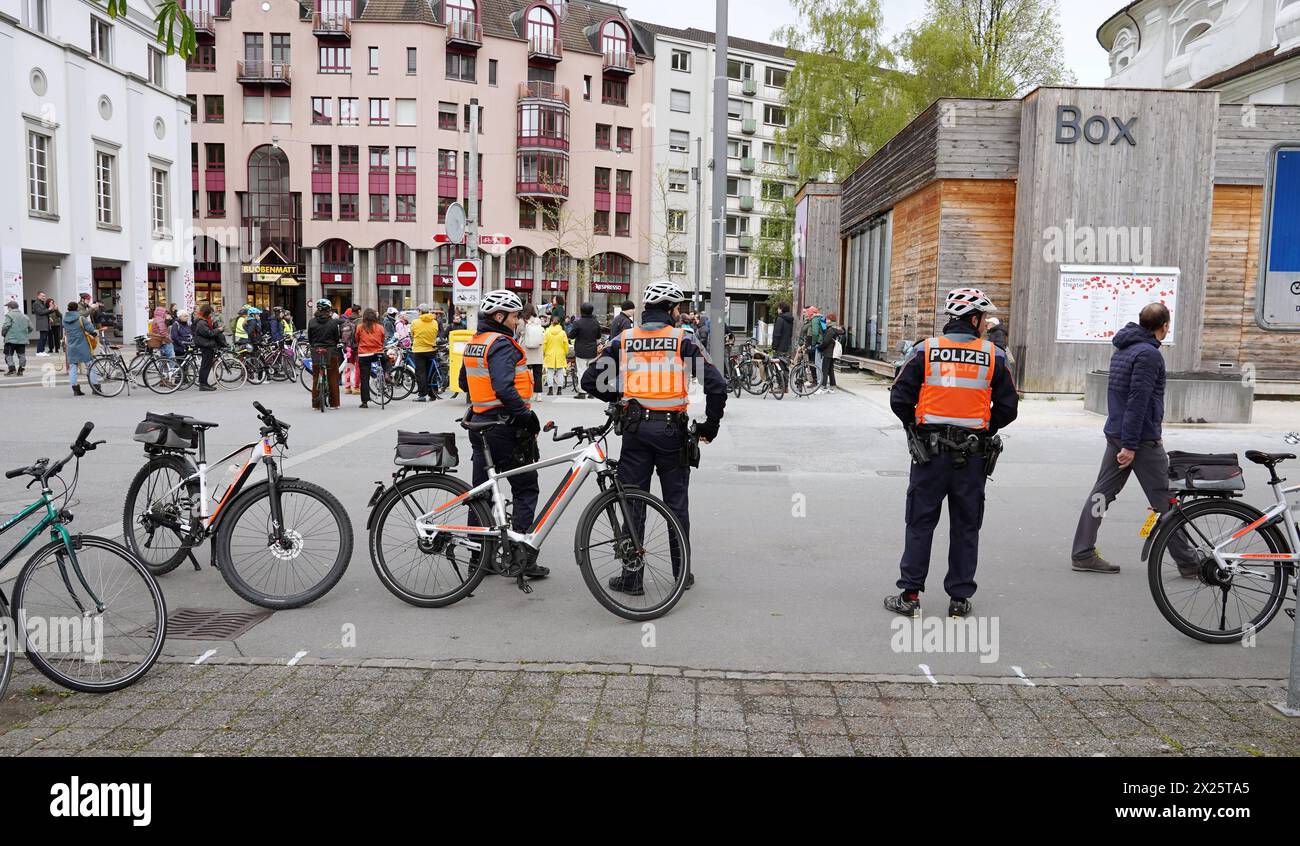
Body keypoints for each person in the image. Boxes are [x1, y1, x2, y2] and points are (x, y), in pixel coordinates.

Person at [581, 281, 729, 594]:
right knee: (676, 505)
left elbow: (590, 380)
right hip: (671, 432)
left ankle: (632, 578)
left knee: (633, 502)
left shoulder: (625, 339)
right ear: (672, 310)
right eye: (679, 308)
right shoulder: (682, 340)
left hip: (635, 432)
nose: (681, 313)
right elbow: (716, 384)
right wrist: (710, 426)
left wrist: (624, 396)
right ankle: (681, 574)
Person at [886, 288, 1019, 618]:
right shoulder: (995, 356)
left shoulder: (925, 351)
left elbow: (899, 398)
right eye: (982, 320)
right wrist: (983, 428)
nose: (984, 325)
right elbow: (1009, 407)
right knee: (966, 525)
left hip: (929, 455)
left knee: (920, 522)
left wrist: (917, 426)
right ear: (974, 319)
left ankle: (911, 596)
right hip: (972, 457)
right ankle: (959, 599)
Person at [1070, 303, 1197, 576]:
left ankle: (1082, 552)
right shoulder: (1148, 355)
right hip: (1139, 440)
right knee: (1166, 499)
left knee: (1101, 495)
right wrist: (1130, 445)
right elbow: (1137, 401)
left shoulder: (1123, 348)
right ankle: (1188, 562)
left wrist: (1123, 439)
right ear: (1164, 326)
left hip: (1117, 433)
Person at [457, 290, 548, 579]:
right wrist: (527, 416)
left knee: (482, 493)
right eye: (514, 315)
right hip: (505, 426)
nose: (518, 320)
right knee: (525, 487)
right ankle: (521, 558)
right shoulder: (502, 344)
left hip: (480, 424)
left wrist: (481, 404)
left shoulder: (476, 342)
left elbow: (463, 381)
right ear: (499, 317)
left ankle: (479, 561)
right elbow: (504, 388)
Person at [306, 298, 342, 409]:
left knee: (316, 377)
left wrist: (315, 345)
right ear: (329, 310)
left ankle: (315, 405)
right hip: (330, 351)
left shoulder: (311, 322)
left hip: (316, 351)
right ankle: (334, 404)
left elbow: (310, 338)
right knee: (333, 377)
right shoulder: (333, 322)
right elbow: (337, 338)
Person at [62, 302, 100, 396]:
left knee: (73, 367)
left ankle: (75, 389)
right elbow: (90, 329)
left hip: (71, 346)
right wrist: (94, 334)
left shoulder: (64, 320)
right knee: (90, 365)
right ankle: (95, 387)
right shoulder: (80, 318)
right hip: (82, 345)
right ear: (76, 309)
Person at [568, 303, 602, 400]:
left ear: (581, 311)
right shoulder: (595, 322)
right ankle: (591, 392)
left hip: (581, 350)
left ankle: (582, 392)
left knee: (581, 371)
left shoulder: (578, 323)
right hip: (592, 350)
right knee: (592, 371)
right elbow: (598, 336)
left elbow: (571, 335)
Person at [355, 308, 387, 410]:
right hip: (377, 353)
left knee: (364, 379)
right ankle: (387, 374)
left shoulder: (360, 327)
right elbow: (382, 340)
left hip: (364, 355)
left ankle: (364, 402)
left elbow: (357, 339)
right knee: (386, 359)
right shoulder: (380, 327)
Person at [409, 303, 440, 402]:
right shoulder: (434, 322)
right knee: (432, 371)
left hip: (419, 351)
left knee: (421, 373)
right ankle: (433, 394)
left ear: (420, 311)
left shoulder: (415, 322)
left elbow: (412, 334)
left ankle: (422, 395)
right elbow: (436, 333)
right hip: (431, 349)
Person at [193, 304, 222, 392]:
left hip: (207, 345)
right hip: (206, 345)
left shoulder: (203, 321)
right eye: (210, 313)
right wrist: (218, 330)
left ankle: (205, 383)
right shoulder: (201, 322)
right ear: (207, 313)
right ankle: (203, 384)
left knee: (206, 365)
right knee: (205, 366)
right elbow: (209, 333)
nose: (211, 315)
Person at [519, 305, 545, 400]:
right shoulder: (538, 320)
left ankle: (527, 393)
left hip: (526, 349)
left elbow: (519, 332)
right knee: (538, 373)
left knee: (526, 373)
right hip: (537, 350)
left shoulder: (522, 321)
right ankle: (539, 395)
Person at [3, 301, 32, 376]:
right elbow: (30, 328)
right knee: (21, 355)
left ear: (10, 307)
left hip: (10, 340)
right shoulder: (25, 316)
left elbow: (6, 326)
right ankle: (21, 369)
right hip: (22, 340)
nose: (7, 308)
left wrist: (3, 334)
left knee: (8, 355)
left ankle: (12, 370)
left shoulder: (9, 315)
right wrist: (23, 334)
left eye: (8, 307)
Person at [543, 317, 569, 396]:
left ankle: (550, 390)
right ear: (559, 323)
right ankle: (559, 390)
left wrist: (544, 352)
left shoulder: (547, 332)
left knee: (549, 372)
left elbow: (544, 343)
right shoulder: (563, 333)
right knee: (560, 372)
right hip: (560, 354)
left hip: (549, 353)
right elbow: (566, 344)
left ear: (551, 323)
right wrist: (565, 352)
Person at [818, 313, 843, 394]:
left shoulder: (830, 330)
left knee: (824, 370)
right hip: (833, 353)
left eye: (827, 319)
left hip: (828, 352)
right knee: (830, 369)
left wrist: (819, 347)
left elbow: (826, 342)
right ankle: (832, 386)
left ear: (830, 320)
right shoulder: (836, 329)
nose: (826, 321)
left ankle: (823, 387)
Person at [32, 292, 53, 356]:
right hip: (41, 322)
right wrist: (49, 309)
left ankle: (42, 350)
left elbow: (46, 312)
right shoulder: (36, 303)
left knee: (44, 337)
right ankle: (39, 351)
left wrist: (53, 309)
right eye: (42, 296)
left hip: (45, 322)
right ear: (38, 296)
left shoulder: (41, 303)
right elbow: (40, 312)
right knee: (42, 337)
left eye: (44, 296)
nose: (44, 297)